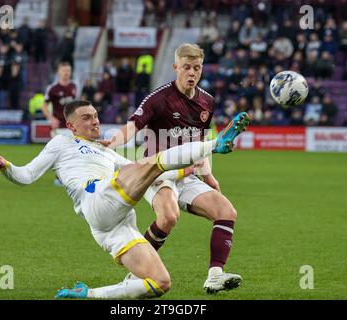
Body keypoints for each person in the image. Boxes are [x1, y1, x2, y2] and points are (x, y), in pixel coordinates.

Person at [0, 100, 250, 299]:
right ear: (71, 126)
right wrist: (5, 166)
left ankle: (87, 294)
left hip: (113, 227)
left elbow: (139, 169)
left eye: (96, 116)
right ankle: (215, 144)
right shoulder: (61, 142)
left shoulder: (106, 152)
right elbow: (27, 175)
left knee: (160, 283)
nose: (94, 121)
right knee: (152, 164)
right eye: (86, 118)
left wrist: (185, 171)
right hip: (96, 199)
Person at [104, 43, 244, 293]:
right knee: (168, 217)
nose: (192, 73)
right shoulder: (158, 98)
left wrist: (208, 175)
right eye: (187, 67)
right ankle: (135, 275)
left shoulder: (207, 102)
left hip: (188, 174)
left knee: (226, 211)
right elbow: (132, 127)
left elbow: (200, 142)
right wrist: (111, 143)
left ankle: (214, 276)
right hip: (157, 173)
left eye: (197, 68)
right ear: (176, 67)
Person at [41, 61, 77, 186]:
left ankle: (68, 176)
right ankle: (59, 177)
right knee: (60, 152)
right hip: (58, 126)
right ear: (58, 72)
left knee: (73, 152)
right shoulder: (53, 88)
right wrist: (51, 118)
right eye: (64, 71)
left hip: (71, 125)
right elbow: (44, 106)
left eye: (68, 71)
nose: (66, 73)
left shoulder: (73, 86)